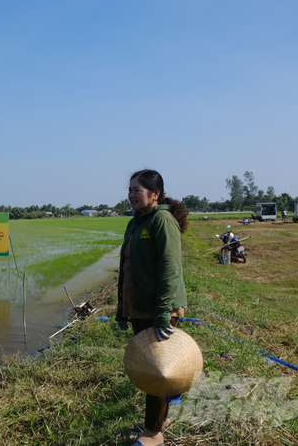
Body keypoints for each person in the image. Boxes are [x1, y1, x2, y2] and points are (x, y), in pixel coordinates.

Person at [115, 169, 189, 446]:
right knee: (152, 368)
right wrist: (122, 308)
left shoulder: (162, 221)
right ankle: (164, 413)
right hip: (139, 307)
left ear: (155, 194)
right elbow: (126, 268)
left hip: (159, 309)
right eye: (130, 190)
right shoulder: (136, 221)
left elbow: (169, 270)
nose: (132, 194)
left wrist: (161, 317)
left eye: (138, 190)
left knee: (156, 372)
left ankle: (153, 431)